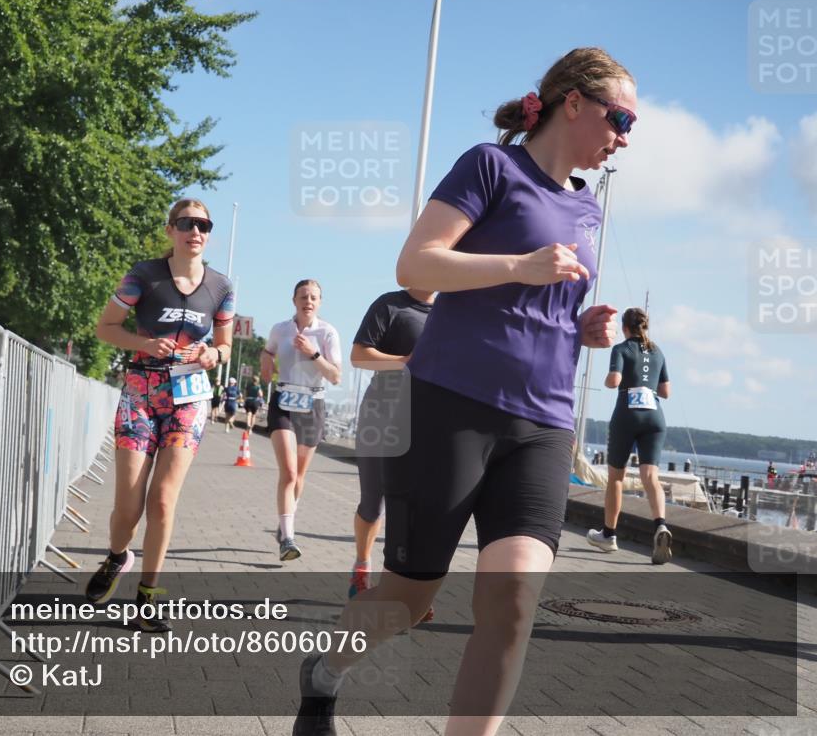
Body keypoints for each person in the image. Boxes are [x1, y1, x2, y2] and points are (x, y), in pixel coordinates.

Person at [292, 47, 629, 736]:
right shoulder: (491, 166)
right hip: (449, 404)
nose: (624, 136)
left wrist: (582, 325)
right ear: (573, 103)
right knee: (410, 600)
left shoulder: (589, 208)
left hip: (543, 423)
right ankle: (325, 674)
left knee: (512, 605)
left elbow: (547, 304)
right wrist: (521, 264)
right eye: (619, 117)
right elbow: (416, 264)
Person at [85, 198, 234, 632]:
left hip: (188, 399)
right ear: (170, 230)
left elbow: (224, 346)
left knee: (163, 499)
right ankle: (117, 557)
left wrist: (211, 353)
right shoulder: (144, 276)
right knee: (127, 508)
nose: (196, 231)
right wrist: (145, 344)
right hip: (141, 394)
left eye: (204, 224)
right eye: (186, 223)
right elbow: (105, 327)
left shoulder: (221, 286)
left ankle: (148, 596)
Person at [349, 288, 435, 615]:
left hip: (423, 420)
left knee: (412, 506)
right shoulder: (390, 305)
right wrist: (405, 362)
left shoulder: (448, 313)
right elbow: (358, 355)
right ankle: (361, 567)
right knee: (373, 503)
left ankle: (404, 589)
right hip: (380, 414)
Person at [261, 279, 342, 561]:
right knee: (289, 473)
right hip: (283, 402)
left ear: (320, 302)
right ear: (294, 300)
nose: (309, 301)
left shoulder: (327, 333)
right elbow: (268, 349)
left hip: (312, 404)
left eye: (314, 297)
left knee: (300, 477)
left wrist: (313, 353)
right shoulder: (280, 329)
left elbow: (335, 375)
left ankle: (284, 526)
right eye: (303, 296)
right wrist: (266, 361)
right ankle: (288, 539)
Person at [586, 308, 673, 564]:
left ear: (625, 327)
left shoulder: (622, 349)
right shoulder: (658, 351)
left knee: (616, 477)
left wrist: (610, 378)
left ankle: (609, 535)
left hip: (627, 414)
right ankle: (660, 524)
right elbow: (665, 391)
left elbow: (614, 381)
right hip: (655, 416)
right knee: (650, 477)